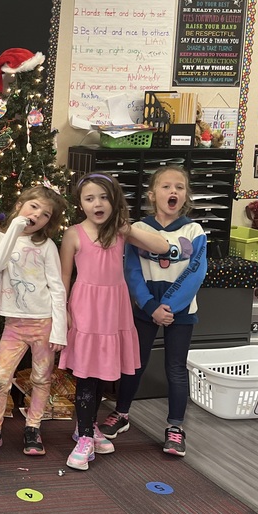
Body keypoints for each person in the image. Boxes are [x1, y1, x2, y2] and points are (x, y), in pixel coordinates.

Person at [58, 173, 169, 471]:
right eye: (90, 198)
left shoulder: (120, 232)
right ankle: (84, 436)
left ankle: (87, 426)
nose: (97, 204)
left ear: (114, 201)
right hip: (86, 309)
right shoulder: (73, 234)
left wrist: (127, 228)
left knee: (101, 374)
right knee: (86, 374)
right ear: (80, 203)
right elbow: (64, 275)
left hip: (114, 310)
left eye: (104, 197)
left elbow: (162, 246)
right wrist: (63, 310)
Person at [101, 166, 207, 457]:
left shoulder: (194, 231)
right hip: (145, 310)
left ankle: (175, 427)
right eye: (166, 186)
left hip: (179, 312)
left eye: (179, 187)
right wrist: (150, 306)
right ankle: (121, 413)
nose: (173, 192)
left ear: (186, 195)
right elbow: (132, 271)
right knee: (134, 364)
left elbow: (196, 272)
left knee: (176, 368)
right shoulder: (139, 230)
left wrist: (168, 306)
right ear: (152, 195)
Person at [0, 186, 67, 457]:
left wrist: (59, 330)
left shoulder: (46, 246)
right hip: (14, 325)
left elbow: (57, 288)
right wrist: (14, 228)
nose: (37, 215)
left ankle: (33, 427)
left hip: (43, 323)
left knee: (41, 378)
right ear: (20, 205)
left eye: (45, 214)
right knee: (0, 378)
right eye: (33, 206)